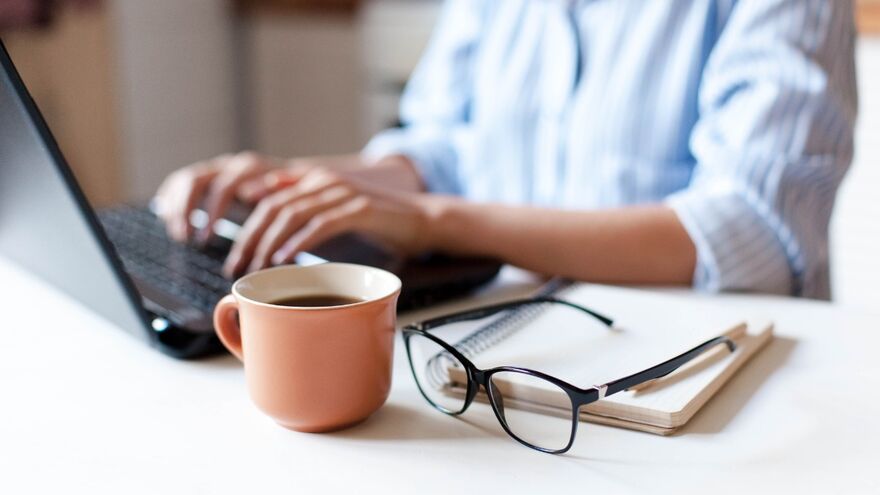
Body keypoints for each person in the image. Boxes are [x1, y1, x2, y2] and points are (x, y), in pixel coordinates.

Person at [154, 0, 857, 300]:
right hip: (512, 357)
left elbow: (752, 233)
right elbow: (448, 149)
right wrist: (296, 183)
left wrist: (439, 220)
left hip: (699, 383)